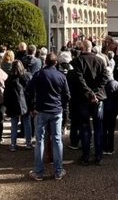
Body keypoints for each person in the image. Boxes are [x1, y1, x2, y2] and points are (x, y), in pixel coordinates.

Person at [26, 52, 70, 181]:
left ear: (45, 62)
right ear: (56, 63)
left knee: (40, 140)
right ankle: (58, 170)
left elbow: (28, 90)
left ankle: (39, 171)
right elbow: (67, 95)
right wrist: (61, 104)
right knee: (57, 140)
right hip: (56, 110)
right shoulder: (61, 76)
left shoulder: (39, 74)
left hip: (41, 110)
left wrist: (32, 106)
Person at [71, 39, 107, 166]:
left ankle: (86, 156)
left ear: (82, 48)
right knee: (98, 128)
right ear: (91, 48)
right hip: (98, 98)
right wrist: (95, 93)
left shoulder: (77, 61)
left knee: (85, 127)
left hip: (83, 99)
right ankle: (98, 156)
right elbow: (105, 78)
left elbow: (79, 80)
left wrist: (90, 93)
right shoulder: (100, 60)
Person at [102, 68, 118, 155]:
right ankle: (110, 148)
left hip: (104, 108)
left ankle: (104, 147)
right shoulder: (115, 83)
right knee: (111, 129)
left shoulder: (102, 83)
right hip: (113, 109)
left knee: (103, 129)